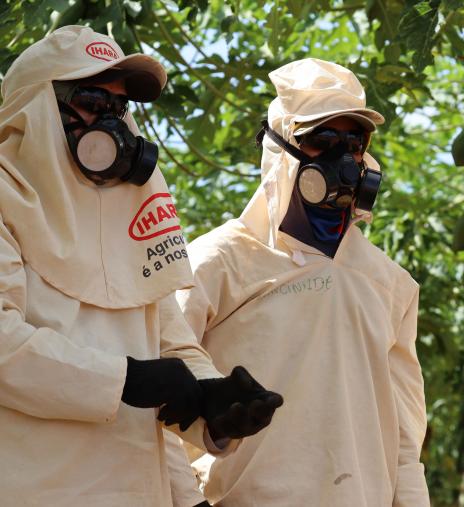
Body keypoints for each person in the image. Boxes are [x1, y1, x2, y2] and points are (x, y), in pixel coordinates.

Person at [0, 25, 281, 506]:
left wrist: (213, 402)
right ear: (38, 110)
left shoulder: (128, 210)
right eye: (92, 103)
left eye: (118, 109)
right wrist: (124, 379)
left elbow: (168, 343)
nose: (109, 124)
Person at [174, 58, 430, 506]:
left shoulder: (390, 284)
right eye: (322, 140)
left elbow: (405, 437)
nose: (344, 157)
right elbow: (161, 405)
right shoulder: (214, 264)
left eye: (355, 141)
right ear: (280, 151)